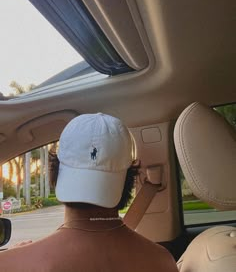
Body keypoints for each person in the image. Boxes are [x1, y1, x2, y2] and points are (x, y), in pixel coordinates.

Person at [0, 113, 178, 272]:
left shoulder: (11, 264)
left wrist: (17, 254)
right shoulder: (162, 261)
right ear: (128, 179)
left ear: (54, 177)